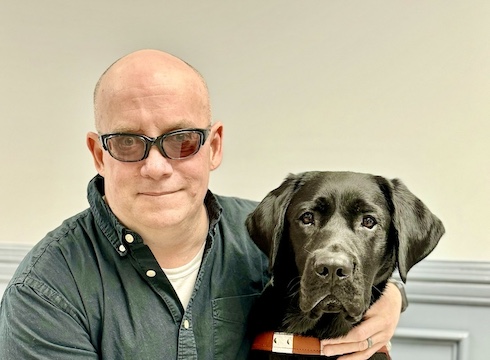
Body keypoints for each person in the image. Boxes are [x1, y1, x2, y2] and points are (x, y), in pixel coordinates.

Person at [0, 49, 403, 359]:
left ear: (213, 147)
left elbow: (352, 262)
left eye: (182, 139)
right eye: (127, 142)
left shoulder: (269, 233)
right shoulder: (44, 293)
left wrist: (391, 299)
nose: (156, 167)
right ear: (98, 154)